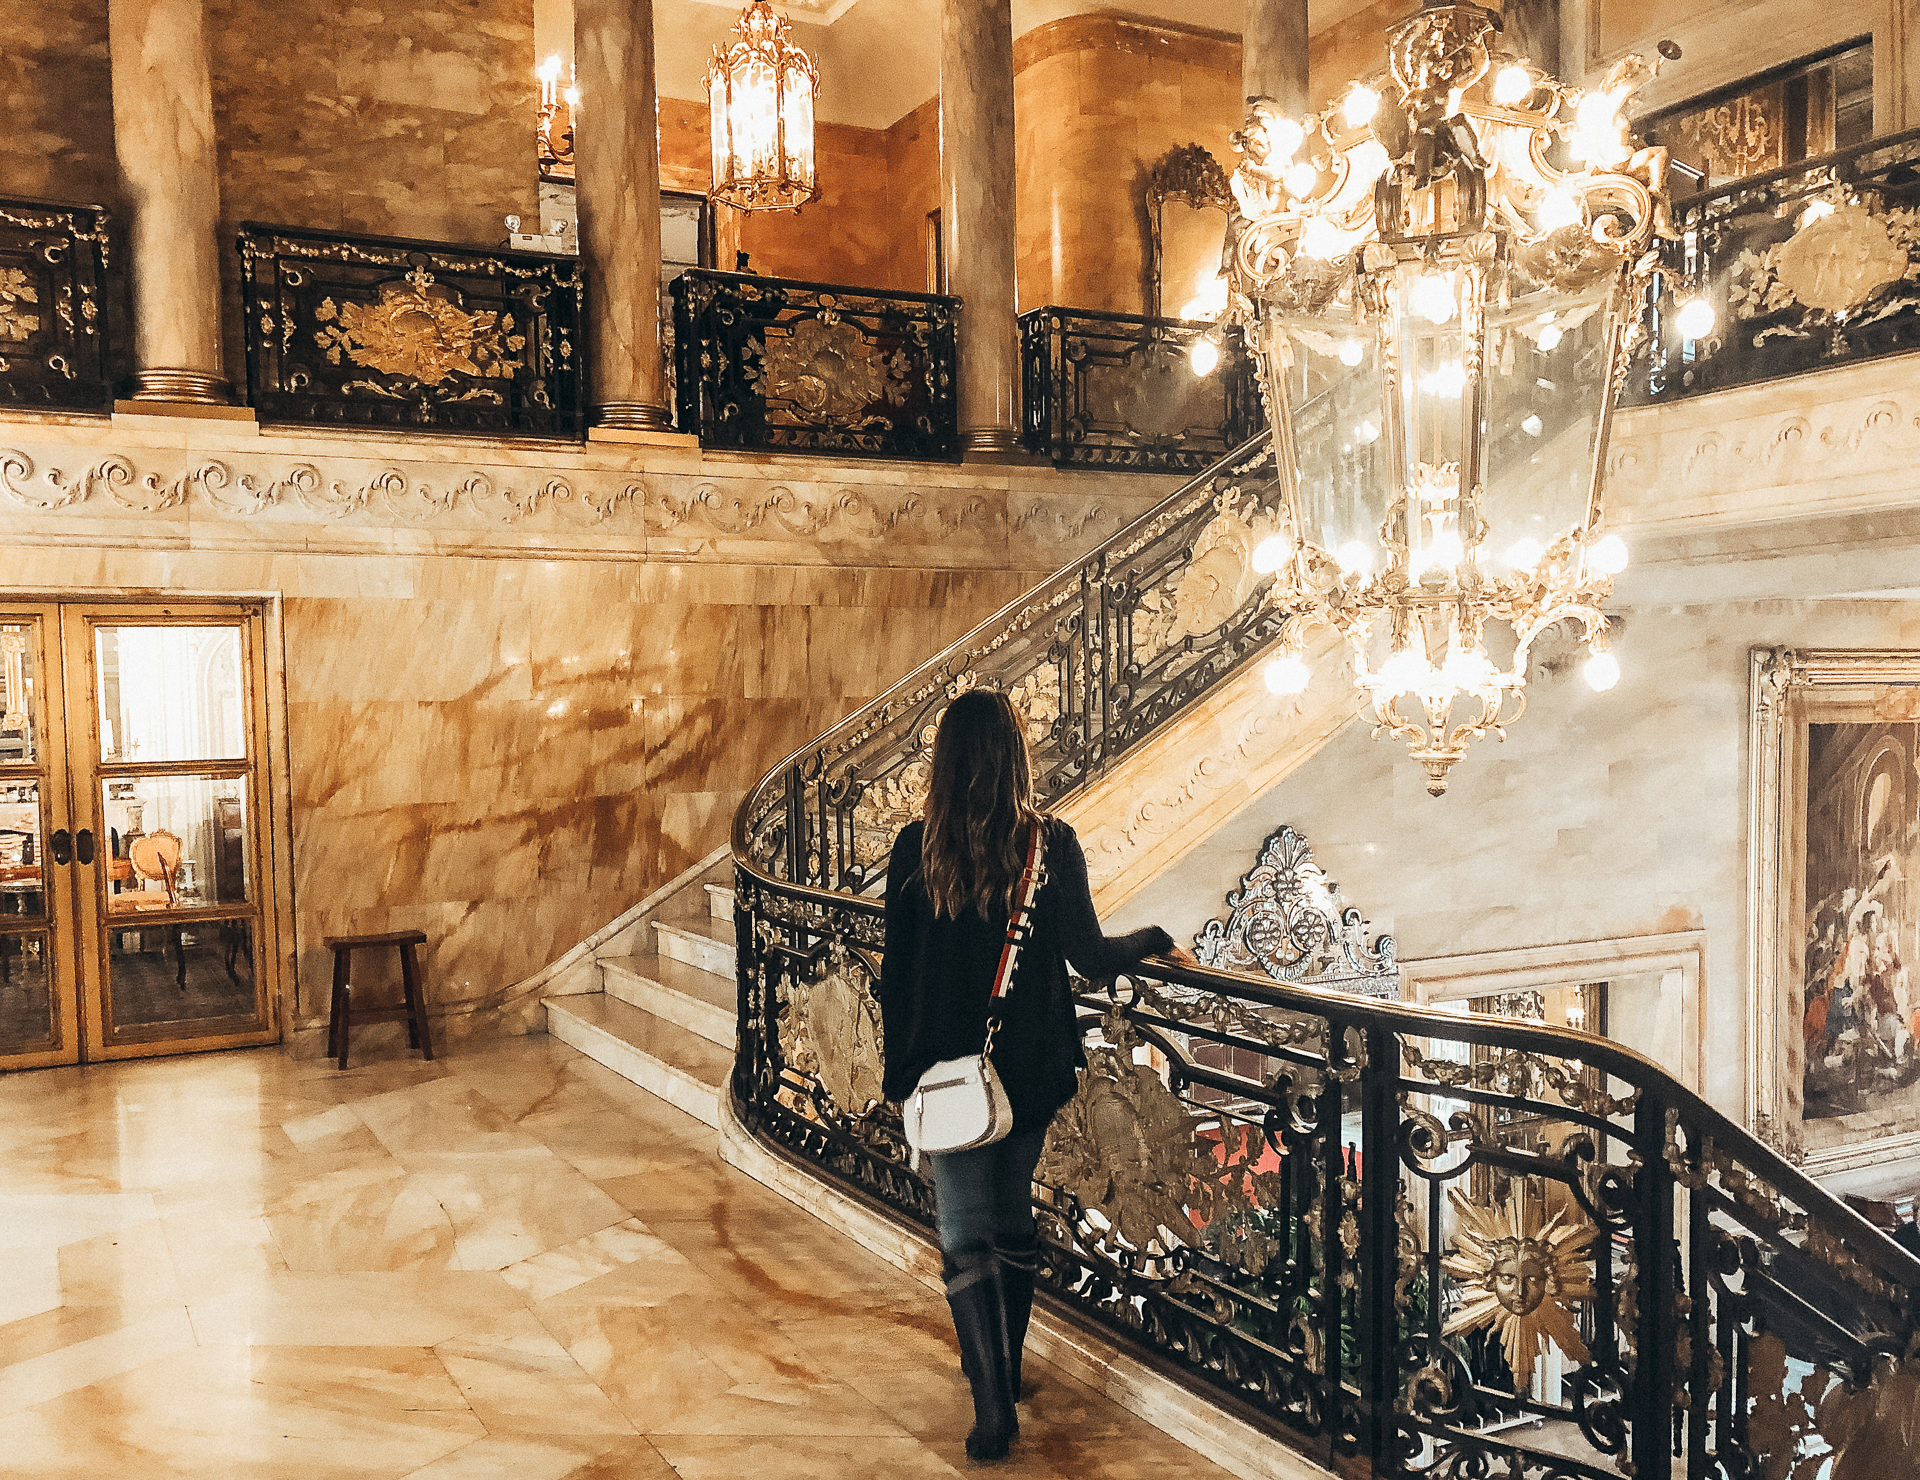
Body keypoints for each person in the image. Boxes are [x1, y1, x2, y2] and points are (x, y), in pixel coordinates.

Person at [879, 689, 1191, 1463]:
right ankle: (1008, 1370)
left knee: (964, 1235)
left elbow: (897, 974)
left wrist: (899, 1075)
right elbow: (1091, 957)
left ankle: (992, 1410)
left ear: (944, 761)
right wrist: (1154, 937)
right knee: (1012, 1217)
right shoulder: (1051, 844)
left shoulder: (915, 848)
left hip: (943, 1071)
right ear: (1015, 757)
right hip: (1030, 1065)